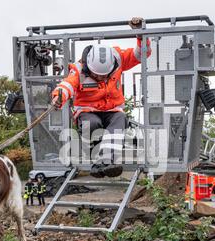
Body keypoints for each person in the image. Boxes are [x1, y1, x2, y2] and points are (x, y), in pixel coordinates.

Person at [51, 17, 152, 178]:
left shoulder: (118, 58)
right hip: (87, 111)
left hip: (112, 109)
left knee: (120, 121)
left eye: (105, 76)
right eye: (97, 76)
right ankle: (97, 159)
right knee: (93, 124)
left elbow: (142, 54)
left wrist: (140, 34)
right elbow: (68, 84)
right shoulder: (78, 69)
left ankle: (105, 163)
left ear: (113, 67)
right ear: (89, 67)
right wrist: (59, 96)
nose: (101, 79)